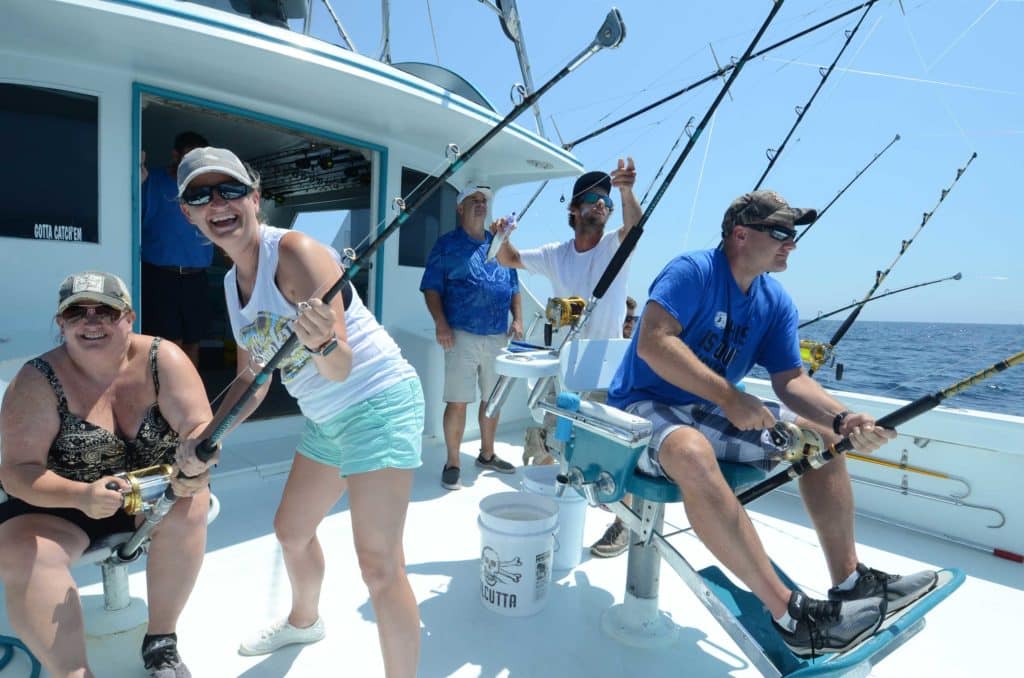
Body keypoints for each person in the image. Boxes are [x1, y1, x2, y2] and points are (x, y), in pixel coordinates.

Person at [606, 190, 938, 657]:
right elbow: (653, 343)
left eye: (794, 234)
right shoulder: (693, 271)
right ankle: (791, 618)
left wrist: (843, 418)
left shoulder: (774, 300)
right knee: (691, 451)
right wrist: (730, 396)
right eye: (781, 232)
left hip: (712, 408)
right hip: (643, 403)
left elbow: (791, 379)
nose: (792, 244)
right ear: (741, 235)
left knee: (821, 442)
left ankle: (849, 582)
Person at [173, 147, 424, 677]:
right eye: (200, 195)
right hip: (326, 418)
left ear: (255, 198)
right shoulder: (229, 284)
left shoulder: (296, 252)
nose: (218, 203)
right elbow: (252, 379)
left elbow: (341, 365)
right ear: (188, 214)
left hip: (378, 401)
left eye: (231, 189)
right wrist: (203, 438)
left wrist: (324, 346)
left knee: (379, 564)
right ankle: (304, 620)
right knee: (290, 530)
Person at [0, 271, 213, 678]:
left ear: (128, 317)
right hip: (60, 505)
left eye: (106, 311)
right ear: (61, 323)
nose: (91, 321)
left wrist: (197, 462)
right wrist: (80, 496)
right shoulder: (36, 380)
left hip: (152, 494)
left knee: (192, 500)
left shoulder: (162, 357)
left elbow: (198, 426)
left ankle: (161, 644)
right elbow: (16, 473)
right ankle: (73, 672)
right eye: (77, 312)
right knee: (20, 550)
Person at [495, 160, 639, 467]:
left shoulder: (616, 245)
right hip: (564, 361)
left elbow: (635, 228)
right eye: (591, 198)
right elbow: (510, 259)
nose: (601, 202)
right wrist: (501, 237)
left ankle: (612, 511)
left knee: (603, 448)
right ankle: (543, 482)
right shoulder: (555, 254)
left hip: (604, 365)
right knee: (552, 441)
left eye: (607, 201)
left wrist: (626, 191)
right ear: (574, 209)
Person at [420, 185, 523, 490]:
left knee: (493, 400)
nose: (480, 205)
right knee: (458, 400)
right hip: (461, 334)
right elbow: (431, 288)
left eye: (484, 201)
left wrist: (517, 318)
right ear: (460, 208)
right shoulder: (446, 245)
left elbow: (514, 284)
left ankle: (487, 455)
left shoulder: (500, 244)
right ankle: (453, 462)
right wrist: (441, 323)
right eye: (473, 201)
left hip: (496, 336)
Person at [140, 131, 214, 368]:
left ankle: (191, 400)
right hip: (160, 276)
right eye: (191, 156)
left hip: (197, 279)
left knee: (193, 342)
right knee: (167, 345)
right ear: (175, 154)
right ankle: (164, 401)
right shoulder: (151, 181)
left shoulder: (207, 188)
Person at [588, 293, 640, 558]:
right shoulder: (598, 349)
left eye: (633, 319)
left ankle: (624, 524)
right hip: (600, 407)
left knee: (624, 458)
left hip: (628, 417)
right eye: (625, 318)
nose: (629, 324)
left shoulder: (640, 347)